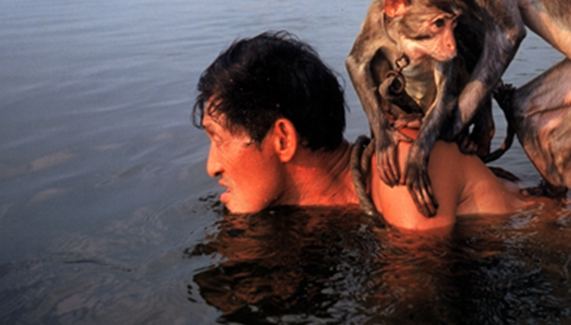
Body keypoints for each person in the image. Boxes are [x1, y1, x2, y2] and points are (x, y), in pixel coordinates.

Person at [193, 31, 545, 231]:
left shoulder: (405, 171)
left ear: (283, 139)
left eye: (218, 139)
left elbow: (421, 310)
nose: (212, 167)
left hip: (564, 236)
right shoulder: (361, 193)